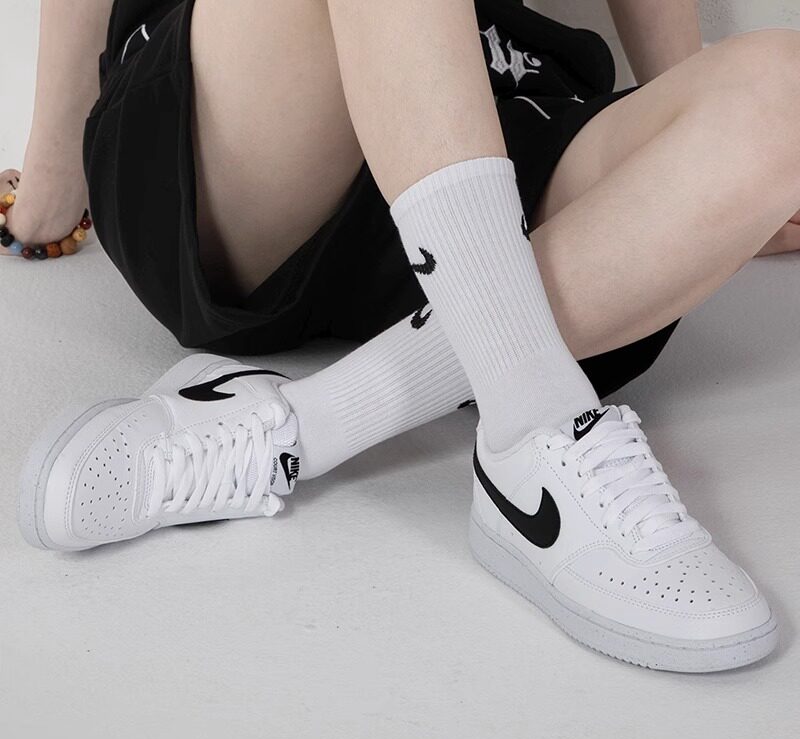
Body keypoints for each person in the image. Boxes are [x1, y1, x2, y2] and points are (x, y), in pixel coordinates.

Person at [6, 0, 797, 672]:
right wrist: (51, 182)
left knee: (783, 90)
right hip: (252, 101)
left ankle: (309, 424)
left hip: (487, 97)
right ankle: (538, 417)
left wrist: (690, 140)